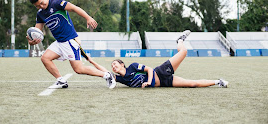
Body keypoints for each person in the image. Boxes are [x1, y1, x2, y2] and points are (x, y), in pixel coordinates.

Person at [27, 0, 116, 89]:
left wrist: (88, 17)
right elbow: (37, 31)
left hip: (70, 40)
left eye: (42, 3)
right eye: (38, 6)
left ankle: (107, 75)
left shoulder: (57, 3)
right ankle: (61, 80)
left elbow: (74, 8)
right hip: (59, 42)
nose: (41, 7)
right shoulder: (40, 14)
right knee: (45, 58)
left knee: (79, 69)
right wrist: (32, 41)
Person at [88, 30, 228, 88]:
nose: (113, 67)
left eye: (115, 64)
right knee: (192, 84)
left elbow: (149, 69)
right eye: (112, 66)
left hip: (160, 72)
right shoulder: (121, 79)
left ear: (122, 64)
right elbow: (103, 71)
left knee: (183, 51)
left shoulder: (132, 66)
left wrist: (149, 82)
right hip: (165, 82)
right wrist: (91, 61)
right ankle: (218, 81)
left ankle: (180, 40)